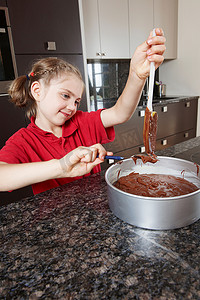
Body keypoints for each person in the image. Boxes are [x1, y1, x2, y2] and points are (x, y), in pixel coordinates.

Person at [0, 28, 166, 195]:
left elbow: (120, 113)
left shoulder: (82, 122)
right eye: (65, 95)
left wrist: (137, 75)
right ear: (37, 91)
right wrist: (61, 166)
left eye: (77, 101)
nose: (72, 107)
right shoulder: (23, 141)